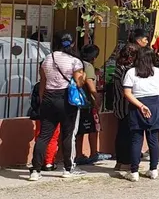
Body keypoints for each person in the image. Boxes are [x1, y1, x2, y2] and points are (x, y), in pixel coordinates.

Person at [28, 33, 86, 181]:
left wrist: (42, 99)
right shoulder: (75, 61)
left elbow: (42, 82)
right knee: (67, 134)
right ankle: (67, 168)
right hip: (66, 99)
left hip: (48, 98)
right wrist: (83, 76)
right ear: (72, 44)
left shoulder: (47, 59)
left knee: (44, 135)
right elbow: (79, 83)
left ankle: (35, 170)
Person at [121, 47, 159, 181]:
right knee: (153, 139)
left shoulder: (131, 72)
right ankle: (153, 169)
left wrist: (141, 105)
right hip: (154, 105)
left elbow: (127, 93)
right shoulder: (158, 72)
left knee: (136, 139)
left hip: (137, 105)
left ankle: (134, 171)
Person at [74, 44, 110, 165]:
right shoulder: (88, 66)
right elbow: (90, 83)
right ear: (94, 57)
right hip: (87, 102)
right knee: (93, 128)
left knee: (79, 130)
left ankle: (79, 154)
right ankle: (94, 153)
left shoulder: (76, 63)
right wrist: (97, 98)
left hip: (76, 102)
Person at [109, 42, 140, 173]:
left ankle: (120, 161)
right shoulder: (129, 69)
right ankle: (126, 162)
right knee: (128, 135)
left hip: (119, 105)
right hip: (128, 105)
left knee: (121, 133)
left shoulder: (119, 66)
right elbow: (127, 88)